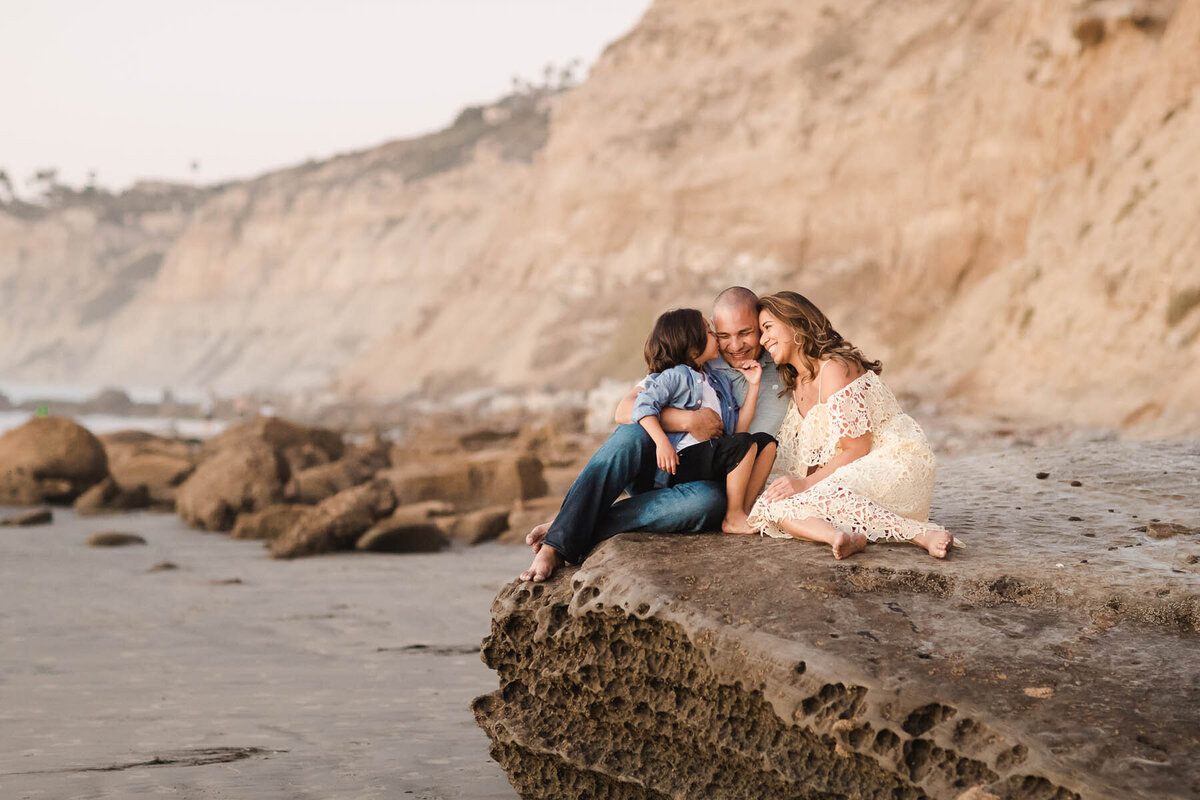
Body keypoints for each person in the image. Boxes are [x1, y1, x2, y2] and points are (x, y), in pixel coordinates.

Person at [520, 287, 789, 582]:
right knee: (631, 435)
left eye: (745, 333)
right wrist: (688, 420)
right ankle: (556, 544)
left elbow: (738, 433)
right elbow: (625, 409)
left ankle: (569, 526)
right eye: (722, 335)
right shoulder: (692, 364)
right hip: (662, 461)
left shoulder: (774, 367)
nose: (734, 345)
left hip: (704, 477)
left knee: (708, 502)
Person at [745, 291, 956, 559]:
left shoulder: (834, 368)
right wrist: (799, 486)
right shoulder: (795, 382)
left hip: (888, 462)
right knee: (772, 503)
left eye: (767, 328)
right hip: (847, 470)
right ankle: (840, 537)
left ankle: (920, 533)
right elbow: (814, 453)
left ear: (796, 323)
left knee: (814, 493)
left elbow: (857, 449)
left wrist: (805, 485)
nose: (763, 341)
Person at [628, 309, 776, 535]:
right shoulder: (675, 375)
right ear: (691, 344)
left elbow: (737, 431)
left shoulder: (719, 381)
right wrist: (662, 443)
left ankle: (741, 511)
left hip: (710, 458)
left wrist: (753, 385)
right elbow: (642, 406)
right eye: (709, 332)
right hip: (680, 462)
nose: (716, 337)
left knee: (766, 443)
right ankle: (733, 516)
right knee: (742, 444)